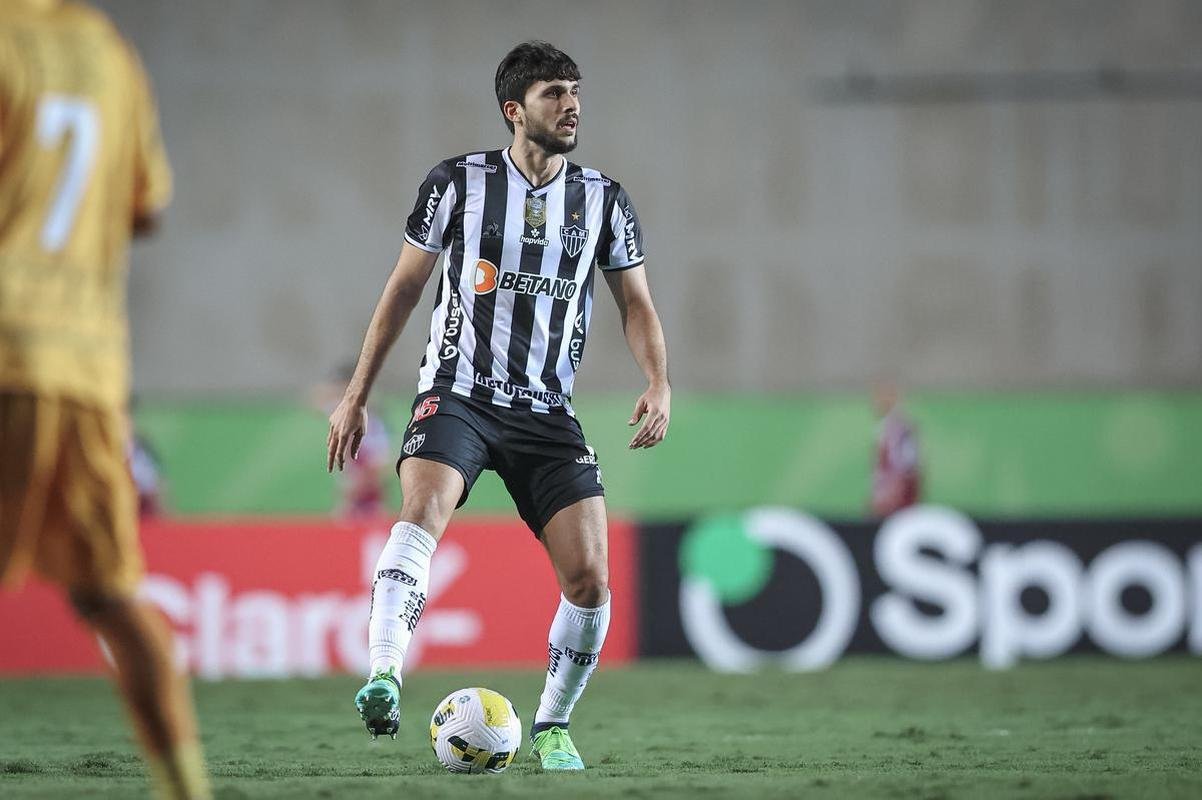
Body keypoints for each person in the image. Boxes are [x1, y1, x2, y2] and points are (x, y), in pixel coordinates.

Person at [327, 41, 670, 771]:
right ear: (515, 110)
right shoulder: (457, 184)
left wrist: (658, 378)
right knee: (422, 512)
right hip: (458, 392)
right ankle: (384, 673)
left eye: (576, 91)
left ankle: (551, 724)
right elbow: (403, 289)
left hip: (547, 411)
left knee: (590, 579)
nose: (572, 105)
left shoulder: (604, 199)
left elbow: (634, 301)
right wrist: (357, 395)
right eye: (554, 93)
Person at [0, 3, 210, 798]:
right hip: (88, 367)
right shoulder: (109, 54)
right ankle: (186, 790)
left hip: (4, 348)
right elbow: (147, 204)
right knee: (111, 593)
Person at [870, 383, 922, 518]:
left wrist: (893, 494)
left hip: (896, 503)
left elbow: (906, 467)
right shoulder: (886, 427)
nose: (878, 402)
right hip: (890, 499)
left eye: (885, 396)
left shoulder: (899, 429)